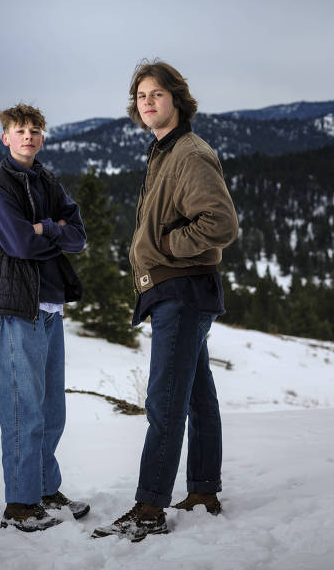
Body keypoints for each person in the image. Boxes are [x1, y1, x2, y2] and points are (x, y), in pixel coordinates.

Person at [92, 60, 239, 542]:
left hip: (183, 289)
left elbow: (220, 224)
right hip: (177, 291)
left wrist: (166, 248)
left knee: (165, 402)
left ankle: (150, 507)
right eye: (141, 96)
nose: (148, 102)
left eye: (157, 94)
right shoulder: (163, 151)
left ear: (177, 98)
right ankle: (202, 491)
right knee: (196, 395)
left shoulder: (190, 153)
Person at [0, 103, 90, 532]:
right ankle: (20, 505)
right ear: (5, 137)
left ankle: (45, 489)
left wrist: (48, 229)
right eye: (20, 129)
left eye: (35, 129)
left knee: (50, 407)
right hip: (19, 307)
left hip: (51, 304)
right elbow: (21, 243)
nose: (29, 136)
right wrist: (47, 230)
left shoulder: (47, 179)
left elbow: (77, 236)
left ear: (43, 136)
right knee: (24, 408)